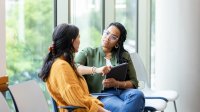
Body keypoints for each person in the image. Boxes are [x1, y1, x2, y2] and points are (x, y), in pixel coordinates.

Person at [38, 23, 110, 112]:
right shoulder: (61, 66)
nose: (80, 40)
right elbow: (77, 100)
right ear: (72, 41)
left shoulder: (62, 63)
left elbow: (79, 98)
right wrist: (102, 110)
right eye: (78, 37)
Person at [75, 22, 145, 112]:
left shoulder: (124, 55)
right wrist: (96, 70)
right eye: (107, 33)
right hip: (102, 95)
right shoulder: (88, 52)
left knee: (138, 95)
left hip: (123, 91)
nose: (107, 38)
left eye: (113, 37)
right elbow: (74, 68)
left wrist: (116, 83)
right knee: (125, 107)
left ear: (118, 42)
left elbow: (134, 82)